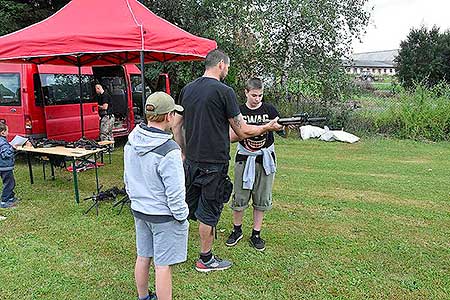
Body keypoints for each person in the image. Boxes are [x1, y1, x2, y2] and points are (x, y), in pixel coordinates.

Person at [172, 49, 283, 272]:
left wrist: (183, 151)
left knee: (187, 208)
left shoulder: (187, 89)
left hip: (191, 161)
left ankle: (175, 251)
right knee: (208, 211)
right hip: (214, 163)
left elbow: (176, 124)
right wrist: (268, 127)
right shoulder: (225, 92)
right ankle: (205, 259)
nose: (227, 71)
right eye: (228, 67)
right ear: (221, 64)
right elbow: (241, 131)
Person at [124, 92, 189, 300]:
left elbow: (127, 178)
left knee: (143, 256)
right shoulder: (170, 151)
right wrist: (181, 216)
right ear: (169, 116)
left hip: (140, 211)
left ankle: (143, 297)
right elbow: (176, 192)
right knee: (162, 266)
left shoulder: (131, 141)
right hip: (163, 216)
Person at [226, 77, 284, 251]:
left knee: (262, 197)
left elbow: (281, 129)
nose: (257, 99)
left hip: (264, 159)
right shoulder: (238, 111)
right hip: (244, 158)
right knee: (240, 196)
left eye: (260, 95)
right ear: (246, 92)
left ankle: (256, 233)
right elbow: (231, 136)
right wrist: (258, 129)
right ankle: (237, 230)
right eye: (254, 95)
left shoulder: (270, 109)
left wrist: (280, 127)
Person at [0, 123, 17, 209]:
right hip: (5, 167)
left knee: (10, 182)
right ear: (2, 132)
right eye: (7, 131)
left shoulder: (2, 140)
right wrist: (12, 148)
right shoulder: (2, 142)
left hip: (3, 166)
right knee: (9, 183)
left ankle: (10, 197)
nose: (8, 133)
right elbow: (5, 154)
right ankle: (4, 201)